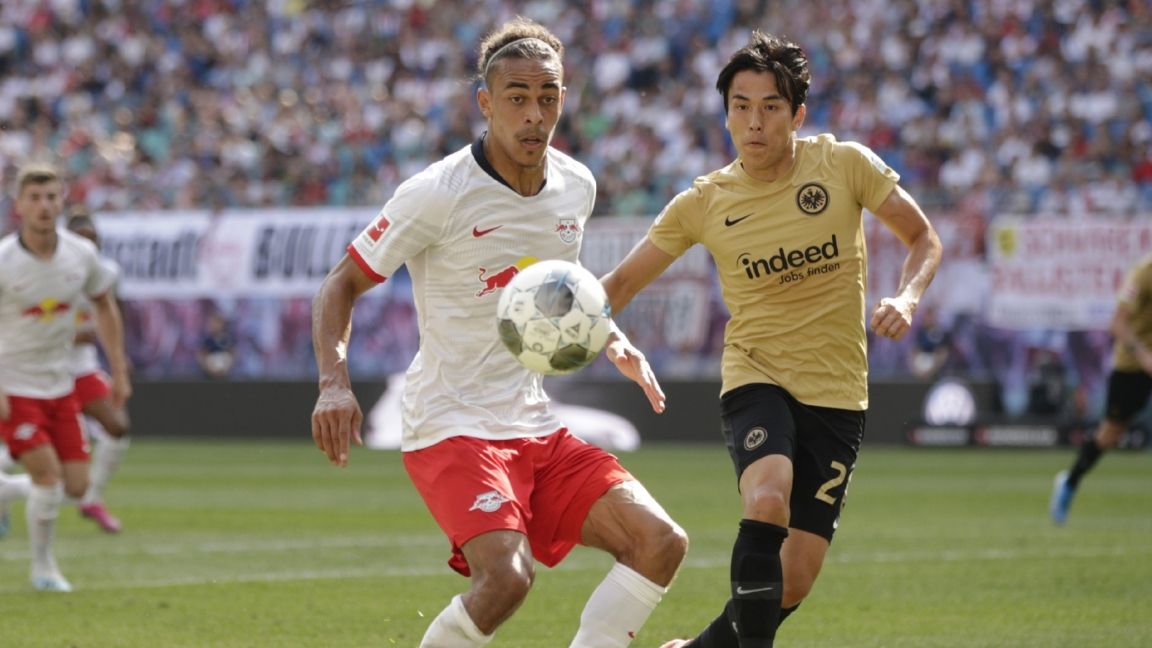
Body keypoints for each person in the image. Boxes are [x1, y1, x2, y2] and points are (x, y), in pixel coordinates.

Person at [310, 18, 687, 647]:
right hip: (451, 423)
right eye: (517, 97)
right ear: (485, 104)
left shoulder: (576, 185)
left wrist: (611, 337)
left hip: (533, 423)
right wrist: (332, 382)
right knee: (508, 578)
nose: (534, 114)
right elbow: (339, 284)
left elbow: (559, 291)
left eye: (548, 97)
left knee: (660, 542)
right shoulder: (437, 192)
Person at [599, 31, 942, 647]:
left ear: (797, 114)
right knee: (766, 497)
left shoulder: (845, 165)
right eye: (741, 106)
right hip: (757, 374)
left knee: (794, 579)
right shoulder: (703, 202)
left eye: (770, 107)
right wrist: (601, 333)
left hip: (838, 392)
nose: (754, 122)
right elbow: (618, 284)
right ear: (726, 113)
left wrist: (907, 297)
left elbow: (923, 237)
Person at [0, 163, 132, 591]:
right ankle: (44, 570)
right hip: (14, 386)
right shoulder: (4, 260)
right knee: (48, 477)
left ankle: (6, 491)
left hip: (61, 385)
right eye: (34, 198)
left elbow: (104, 305)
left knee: (76, 485)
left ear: (62, 201)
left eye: (51, 197)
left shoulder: (81, 254)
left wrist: (118, 368)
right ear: (19, 205)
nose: (44, 206)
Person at [1050, 252, 1152, 525]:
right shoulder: (1144, 272)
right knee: (1111, 433)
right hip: (1133, 365)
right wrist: (1143, 355)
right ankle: (1070, 482)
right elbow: (1117, 322)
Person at [65, 210, 131, 533]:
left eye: (93, 241)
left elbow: (111, 312)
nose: (88, 247)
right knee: (21, 451)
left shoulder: (107, 273)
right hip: (42, 369)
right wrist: (71, 335)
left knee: (117, 427)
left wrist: (119, 359)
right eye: (81, 240)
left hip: (82, 366)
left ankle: (91, 499)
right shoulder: (49, 272)